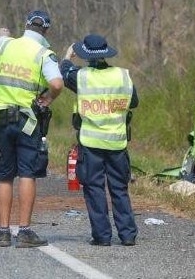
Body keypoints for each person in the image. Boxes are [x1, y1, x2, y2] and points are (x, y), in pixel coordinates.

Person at [0, 10, 63, 248]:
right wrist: (49, 97)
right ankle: (25, 232)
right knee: (27, 173)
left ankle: (4, 232)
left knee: (5, 176)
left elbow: (1, 33)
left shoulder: (6, 45)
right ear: (46, 31)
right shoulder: (43, 53)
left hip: (1, 121)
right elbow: (57, 83)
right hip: (27, 122)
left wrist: (5, 31)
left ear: (26, 25)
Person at [60, 34, 139, 246]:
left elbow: (64, 71)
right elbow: (134, 102)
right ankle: (128, 235)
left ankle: (102, 236)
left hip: (92, 145)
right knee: (119, 189)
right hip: (117, 144)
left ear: (86, 55)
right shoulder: (123, 76)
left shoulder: (82, 77)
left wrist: (68, 56)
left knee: (94, 188)